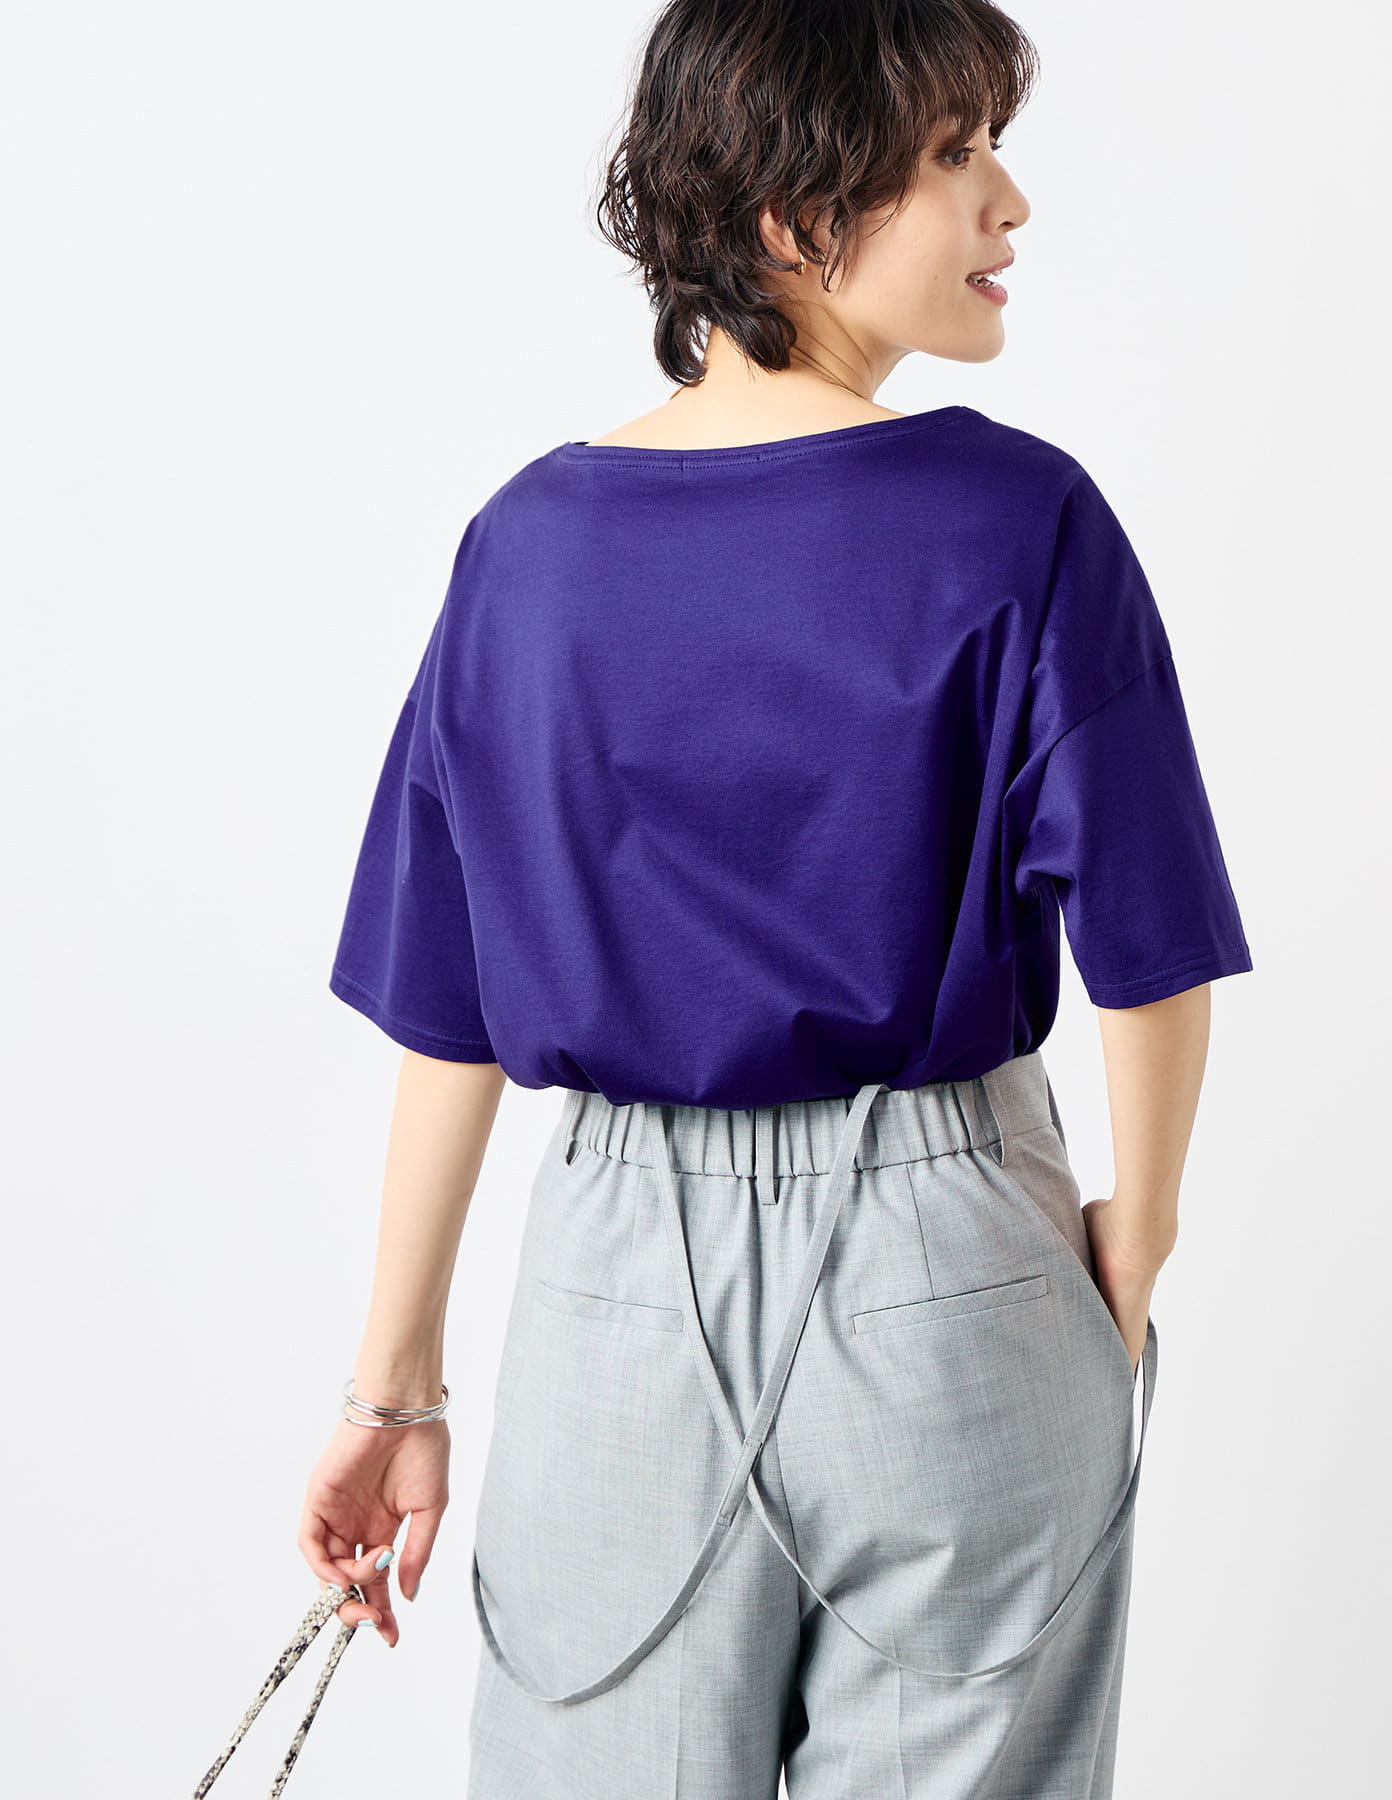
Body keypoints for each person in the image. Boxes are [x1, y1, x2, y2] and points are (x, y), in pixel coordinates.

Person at [298, 1, 1254, 1793]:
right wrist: (1138, 1232)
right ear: (795, 214)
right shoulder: (1022, 519)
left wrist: (392, 1385)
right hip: (954, 1261)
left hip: (614, 1287)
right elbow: (1148, 939)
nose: (1011, 202)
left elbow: (452, 1000)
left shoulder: (526, 549)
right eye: (956, 154)